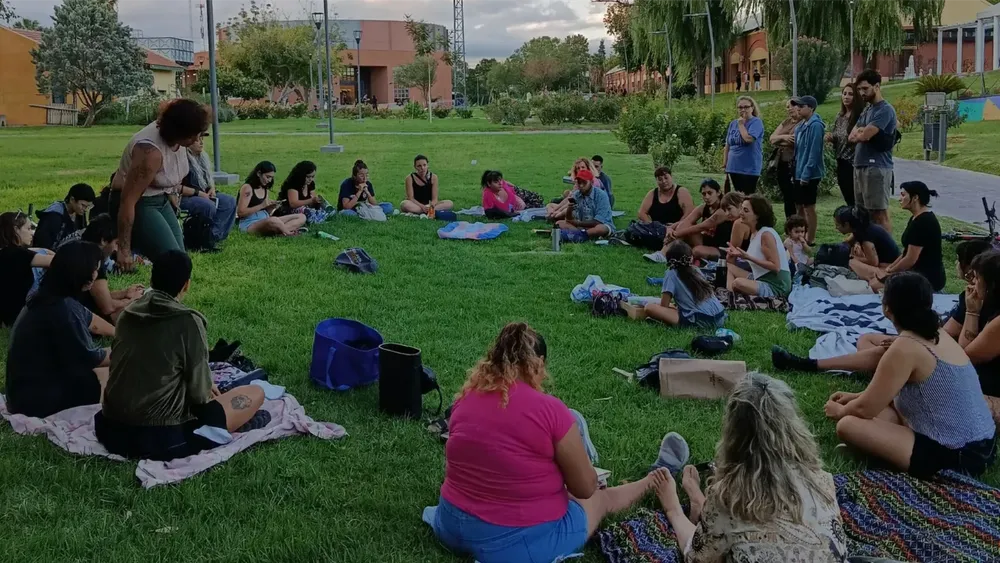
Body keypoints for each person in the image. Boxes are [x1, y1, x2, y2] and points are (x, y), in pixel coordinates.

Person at [427, 323, 660, 563]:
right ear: (537, 363)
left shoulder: (466, 398)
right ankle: (652, 480)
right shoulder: (550, 410)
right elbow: (584, 489)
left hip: (450, 526)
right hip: (510, 543)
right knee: (598, 498)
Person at [653, 372, 847, 562]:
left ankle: (687, 509)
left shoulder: (728, 497)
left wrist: (673, 509)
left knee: (712, 539)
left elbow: (697, 558)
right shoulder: (823, 482)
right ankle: (699, 503)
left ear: (734, 435)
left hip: (721, 516)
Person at [95, 250, 266, 461]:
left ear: (152, 279)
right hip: (158, 437)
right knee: (255, 393)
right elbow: (200, 396)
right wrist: (204, 386)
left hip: (109, 427)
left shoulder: (127, 314)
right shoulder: (187, 322)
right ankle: (225, 427)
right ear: (186, 284)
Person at [824, 272, 996, 478]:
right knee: (884, 414)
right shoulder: (938, 334)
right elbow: (884, 394)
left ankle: (886, 457)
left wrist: (839, 411)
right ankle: (881, 449)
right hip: (984, 446)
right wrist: (855, 397)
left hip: (957, 456)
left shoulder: (905, 347)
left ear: (887, 308)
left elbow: (864, 409)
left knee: (848, 424)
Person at [5, 241, 110, 418]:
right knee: (122, 377)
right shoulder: (62, 310)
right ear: (83, 275)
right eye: (95, 269)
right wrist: (131, 350)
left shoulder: (46, 296)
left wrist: (121, 334)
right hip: (36, 401)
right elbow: (91, 358)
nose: (97, 273)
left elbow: (90, 320)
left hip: (20, 393)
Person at [112, 99, 210, 270]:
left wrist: (171, 194)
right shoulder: (149, 153)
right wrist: (124, 249)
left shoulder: (178, 139)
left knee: (181, 259)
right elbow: (127, 201)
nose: (196, 139)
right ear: (178, 130)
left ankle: (163, 295)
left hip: (160, 200)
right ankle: (161, 295)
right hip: (139, 204)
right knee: (173, 264)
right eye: (192, 135)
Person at [859, 181, 945, 292]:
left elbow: (910, 259)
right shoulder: (916, 218)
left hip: (926, 278)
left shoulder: (924, 222)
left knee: (873, 285)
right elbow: (906, 252)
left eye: (903, 195)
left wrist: (890, 271)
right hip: (915, 271)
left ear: (915, 198)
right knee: (876, 276)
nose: (900, 199)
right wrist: (890, 268)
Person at [850, 69, 898, 233]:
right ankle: (868, 250)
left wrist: (863, 132)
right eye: (859, 90)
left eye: (865, 88)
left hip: (876, 167)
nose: (862, 93)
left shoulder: (885, 110)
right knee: (862, 213)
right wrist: (862, 132)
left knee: (879, 213)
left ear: (877, 86)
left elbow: (864, 136)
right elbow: (852, 135)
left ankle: (888, 251)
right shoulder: (867, 110)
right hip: (860, 164)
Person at [75, 214, 144, 326]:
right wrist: (133, 300)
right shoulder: (92, 261)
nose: (116, 249)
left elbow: (100, 296)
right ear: (103, 240)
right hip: (79, 318)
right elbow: (108, 307)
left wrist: (125, 293)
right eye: (116, 243)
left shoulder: (80, 249)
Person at [645, 241, 727, 328]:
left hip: (701, 319)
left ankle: (666, 322)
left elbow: (664, 306)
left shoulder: (671, 273)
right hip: (720, 316)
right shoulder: (696, 270)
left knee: (649, 307)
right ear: (691, 258)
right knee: (676, 307)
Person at [726, 195, 792, 298]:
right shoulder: (755, 233)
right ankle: (730, 293)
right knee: (729, 267)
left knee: (738, 283)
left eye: (746, 210)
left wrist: (747, 257)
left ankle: (730, 294)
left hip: (776, 285)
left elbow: (776, 267)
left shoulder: (766, 235)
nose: (741, 213)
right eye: (741, 209)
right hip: (760, 278)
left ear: (757, 215)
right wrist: (735, 255)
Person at [179, 132, 237, 245]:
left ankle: (215, 235)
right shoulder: (181, 160)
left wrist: (212, 188)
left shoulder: (203, 158)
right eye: (197, 140)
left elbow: (209, 179)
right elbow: (176, 187)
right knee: (206, 205)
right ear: (187, 142)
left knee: (229, 201)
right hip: (185, 197)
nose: (201, 142)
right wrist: (199, 194)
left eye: (202, 139)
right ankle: (201, 238)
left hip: (204, 193)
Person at [0, 211, 54, 327]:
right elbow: (58, 262)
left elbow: (39, 251)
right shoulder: (17, 254)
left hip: (8, 313)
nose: (32, 234)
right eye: (29, 229)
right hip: (19, 314)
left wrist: (46, 251)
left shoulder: (6, 251)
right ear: (15, 229)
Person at [667, 181, 741, 261]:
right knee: (687, 225)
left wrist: (676, 234)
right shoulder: (704, 207)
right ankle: (666, 251)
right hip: (707, 241)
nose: (707, 197)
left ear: (718, 192)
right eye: (704, 194)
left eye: (710, 193)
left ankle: (676, 252)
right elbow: (687, 220)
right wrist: (670, 228)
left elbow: (702, 226)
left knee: (697, 250)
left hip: (721, 247)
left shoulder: (723, 210)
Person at [236, 162, 307, 236]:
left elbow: (266, 212)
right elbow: (241, 213)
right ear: (259, 173)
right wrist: (261, 205)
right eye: (267, 177)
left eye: (271, 178)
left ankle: (281, 232)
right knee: (273, 220)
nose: (269, 180)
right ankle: (288, 233)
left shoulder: (265, 188)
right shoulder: (247, 188)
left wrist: (272, 207)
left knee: (302, 216)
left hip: (265, 219)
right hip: (250, 223)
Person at [791, 95, 825, 245]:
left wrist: (806, 173)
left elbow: (814, 152)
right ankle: (800, 235)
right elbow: (798, 152)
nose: (798, 108)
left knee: (809, 206)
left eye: (801, 106)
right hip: (798, 170)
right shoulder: (801, 126)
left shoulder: (816, 125)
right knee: (799, 204)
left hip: (809, 173)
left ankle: (810, 238)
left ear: (810, 108)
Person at [833, 205, 900, 278]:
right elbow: (848, 243)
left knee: (850, 262)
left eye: (837, 225)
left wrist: (851, 257)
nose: (836, 228)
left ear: (846, 224)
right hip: (886, 263)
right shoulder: (860, 228)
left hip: (888, 266)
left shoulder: (866, 236)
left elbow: (873, 262)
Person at [827, 83, 864, 206]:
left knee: (855, 198)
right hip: (841, 160)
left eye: (850, 94)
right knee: (847, 197)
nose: (846, 97)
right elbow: (837, 136)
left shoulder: (860, 116)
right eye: (844, 94)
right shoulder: (840, 116)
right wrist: (831, 138)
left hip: (854, 162)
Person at [553, 169, 615, 239]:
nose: (581, 185)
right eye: (579, 183)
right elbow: (569, 220)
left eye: (584, 183)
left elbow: (598, 221)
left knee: (601, 228)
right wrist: (569, 208)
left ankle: (579, 236)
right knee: (559, 223)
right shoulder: (576, 194)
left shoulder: (601, 195)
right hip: (581, 227)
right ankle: (583, 235)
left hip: (598, 225)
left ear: (591, 182)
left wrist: (577, 223)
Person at [33, 183, 95, 250]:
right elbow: (43, 245)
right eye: (83, 205)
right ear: (72, 200)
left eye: (88, 206)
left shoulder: (79, 213)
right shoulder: (54, 216)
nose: (85, 210)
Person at [723, 96, 765, 195]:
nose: (743, 110)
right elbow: (728, 144)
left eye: (746, 107)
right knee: (737, 196)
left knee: (747, 197)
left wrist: (741, 125)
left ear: (752, 108)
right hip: (734, 166)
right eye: (740, 107)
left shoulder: (756, 122)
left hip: (749, 168)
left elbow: (748, 139)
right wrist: (725, 163)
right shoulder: (733, 123)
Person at [768, 100, 801, 218]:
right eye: (787, 107)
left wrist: (779, 140)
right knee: (786, 194)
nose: (790, 108)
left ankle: (798, 223)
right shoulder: (786, 122)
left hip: (795, 162)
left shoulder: (803, 123)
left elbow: (796, 140)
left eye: (792, 105)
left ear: (800, 107)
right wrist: (785, 137)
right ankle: (789, 222)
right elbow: (772, 138)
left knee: (795, 195)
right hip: (781, 162)